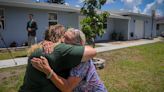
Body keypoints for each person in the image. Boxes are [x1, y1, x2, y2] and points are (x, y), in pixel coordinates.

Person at [19, 24, 96, 92]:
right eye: (64, 36)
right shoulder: (59, 50)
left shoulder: (40, 48)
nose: (64, 41)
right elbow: (92, 51)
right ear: (61, 37)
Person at [31, 28, 107, 92]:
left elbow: (67, 88)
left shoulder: (83, 61)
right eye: (63, 37)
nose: (62, 41)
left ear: (79, 44)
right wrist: (47, 42)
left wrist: (48, 71)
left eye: (67, 39)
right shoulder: (67, 53)